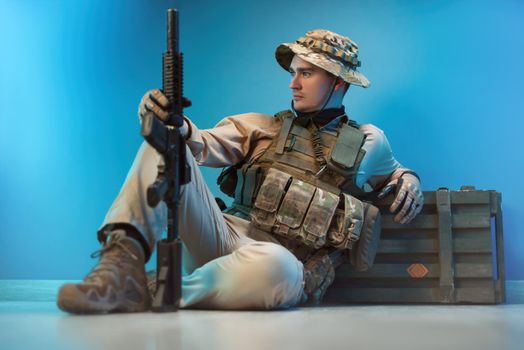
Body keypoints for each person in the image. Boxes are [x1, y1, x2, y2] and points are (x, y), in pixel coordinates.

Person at [57, 29, 424, 314]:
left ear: (338, 82)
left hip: (274, 264)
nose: (293, 83)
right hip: (222, 239)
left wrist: (409, 179)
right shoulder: (261, 126)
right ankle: (121, 264)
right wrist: (171, 122)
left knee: (278, 266)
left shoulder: (368, 142)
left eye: (307, 73)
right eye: (294, 72)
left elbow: (393, 172)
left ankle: (159, 291)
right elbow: (197, 141)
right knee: (167, 145)